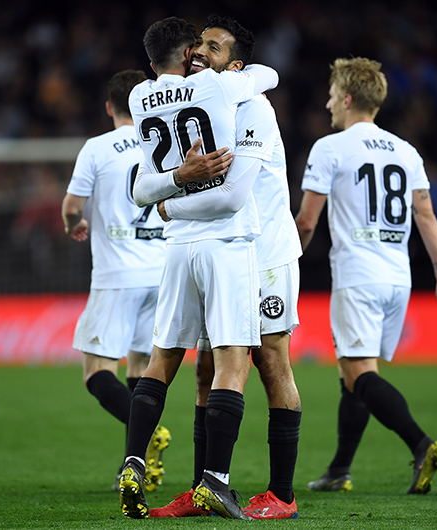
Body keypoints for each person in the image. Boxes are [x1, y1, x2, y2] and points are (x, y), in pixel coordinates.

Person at [118, 17, 278, 520]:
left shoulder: (140, 99)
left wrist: (174, 186)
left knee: (162, 360)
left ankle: (132, 461)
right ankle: (215, 480)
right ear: (189, 52)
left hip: (176, 248)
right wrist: (188, 178)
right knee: (232, 363)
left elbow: (142, 191)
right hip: (225, 244)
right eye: (199, 47)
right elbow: (266, 75)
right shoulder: (218, 86)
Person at [294, 57, 437, 495]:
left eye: (332, 95)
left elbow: (307, 223)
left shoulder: (330, 148)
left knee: (359, 372)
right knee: (353, 376)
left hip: (358, 275)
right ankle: (338, 470)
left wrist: (281, 263)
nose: (329, 103)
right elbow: (424, 213)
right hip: (397, 276)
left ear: (347, 99)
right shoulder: (406, 151)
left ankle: (421, 444)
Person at [61, 69, 173, 493]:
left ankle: (147, 433)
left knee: (96, 372)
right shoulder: (165, 143)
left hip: (117, 276)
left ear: (109, 107)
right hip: (162, 274)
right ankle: (136, 464)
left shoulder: (98, 148)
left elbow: (73, 205)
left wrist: (73, 223)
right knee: (142, 369)